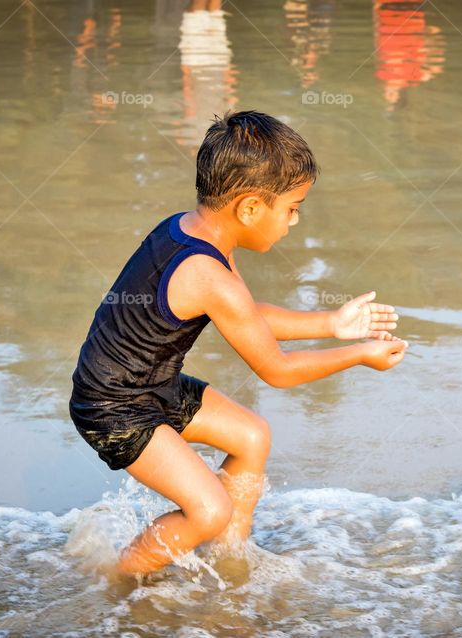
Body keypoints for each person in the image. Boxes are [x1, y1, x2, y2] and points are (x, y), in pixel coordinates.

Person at [69, 110, 408, 577]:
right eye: (291, 209)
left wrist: (333, 322)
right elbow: (278, 371)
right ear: (250, 208)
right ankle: (122, 584)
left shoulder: (192, 229)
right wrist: (360, 354)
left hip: (150, 385)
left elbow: (248, 316)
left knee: (252, 436)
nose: (293, 222)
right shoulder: (208, 273)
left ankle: (230, 561)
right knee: (207, 510)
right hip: (112, 405)